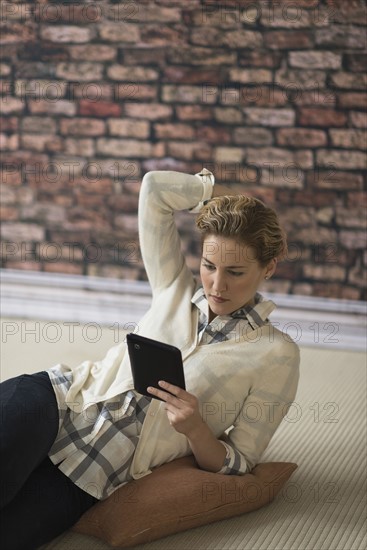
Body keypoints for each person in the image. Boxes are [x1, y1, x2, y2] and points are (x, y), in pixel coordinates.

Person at [0, 168, 300, 549]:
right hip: (54, 401)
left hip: (91, 475)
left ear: (268, 267)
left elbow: (240, 461)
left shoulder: (277, 355)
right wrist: (239, 204)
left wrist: (195, 429)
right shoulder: (173, 286)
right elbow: (154, 189)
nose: (217, 285)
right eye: (209, 266)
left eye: (236, 272)